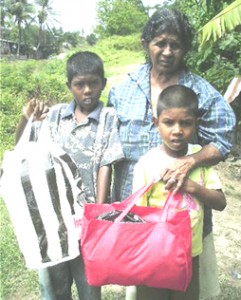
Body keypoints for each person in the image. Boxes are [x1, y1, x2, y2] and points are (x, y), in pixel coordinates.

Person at [107, 7, 235, 300]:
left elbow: (223, 139)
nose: (166, 51)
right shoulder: (123, 89)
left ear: (185, 48)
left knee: (184, 286)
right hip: (137, 216)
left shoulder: (201, 92)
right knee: (145, 288)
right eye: (160, 42)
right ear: (146, 44)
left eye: (175, 44)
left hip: (184, 219)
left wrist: (192, 160)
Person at [16, 51, 124, 300]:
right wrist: (27, 117)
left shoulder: (108, 118)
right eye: (79, 84)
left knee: (89, 285)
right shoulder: (53, 115)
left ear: (103, 83)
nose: (87, 90)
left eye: (93, 83)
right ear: (69, 86)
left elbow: (105, 165)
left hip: (85, 221)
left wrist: (97, 214)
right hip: (51, 219)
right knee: (53, 286)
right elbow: (23, 146)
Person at [132, 85, 226, 300]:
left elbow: (220, 202)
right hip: (153, 255)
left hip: (189, 253)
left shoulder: (200, 159)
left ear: (195, 124)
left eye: (185, 123)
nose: (177, 130)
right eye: (168, 122)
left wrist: (191, 187)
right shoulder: (147, 164)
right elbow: (135, 215)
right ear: (156, 123)